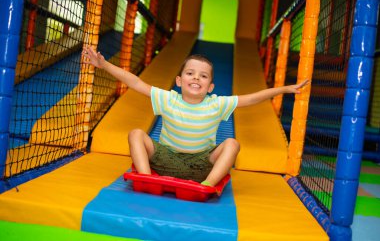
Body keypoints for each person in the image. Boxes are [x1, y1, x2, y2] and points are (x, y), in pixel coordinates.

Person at [82, 46, 308, 187]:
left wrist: (284, 89)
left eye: (203, 76)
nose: (196, 78)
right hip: (164, 159)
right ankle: (146, 178)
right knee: (136, 134)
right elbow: (135, 82)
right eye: (190, 73)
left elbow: (251, 98)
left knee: (232, 143)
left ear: (210, 86)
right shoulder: (168, 99)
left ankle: (209, 185)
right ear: (179, 81)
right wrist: (104, 65)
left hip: (201, 166)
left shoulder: (217, 104)